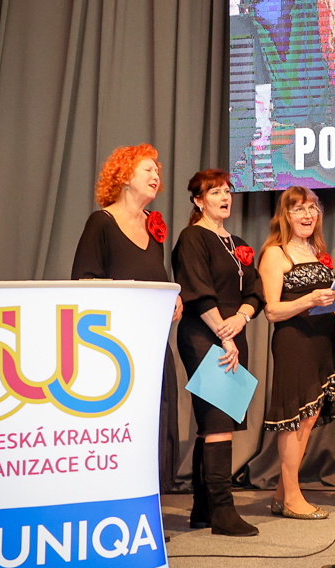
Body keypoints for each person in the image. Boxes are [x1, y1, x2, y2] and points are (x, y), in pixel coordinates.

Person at [71, 144, 182, 498]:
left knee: (156, 425)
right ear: (123, 177)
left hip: (153, 346)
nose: (156, 175)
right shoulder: (101, 223)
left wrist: (172, 299)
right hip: (114, 352)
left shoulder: (154, 229)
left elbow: (156, 281)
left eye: (157, 171)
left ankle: (148, 505)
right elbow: (84, 282)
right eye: (148, 169)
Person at [172, 169, 265, 537]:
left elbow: (255, 291)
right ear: (198, 200)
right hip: (204, 334)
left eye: (227, 190)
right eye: (215, 192)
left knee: (214, 424)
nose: (225, 197)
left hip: (232, 333)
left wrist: (241, 318)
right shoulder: (192, 237)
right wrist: (224, 335)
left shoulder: (237, 242)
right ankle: (224, 511)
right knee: (218, 423)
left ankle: (203, 508)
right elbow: (196, 291)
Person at [258, 187, 335, 520]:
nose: (307, 214)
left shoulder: (315, 250)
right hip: (294, 343)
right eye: (298, 209)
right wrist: (310, 300)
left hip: (321, 342)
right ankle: (293, 498)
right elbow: (272, 310)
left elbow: (319, 298)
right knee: (295, 418)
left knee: (309, 418)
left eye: (312, 207)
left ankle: (281, 493)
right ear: (285, 215)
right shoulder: (275, 253)